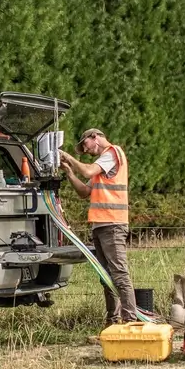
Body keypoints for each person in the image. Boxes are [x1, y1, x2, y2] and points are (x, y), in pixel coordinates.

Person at [59, 128, 137, 326]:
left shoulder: (112, 153)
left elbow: (86, 170)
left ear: (95, 137)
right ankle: (112, 322)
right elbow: (84, 192)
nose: (85, 150)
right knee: (106, 276)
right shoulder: (101, 166)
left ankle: (130, 322)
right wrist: (69, 172)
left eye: (84, 144)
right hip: (101, 225)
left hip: (113, 223)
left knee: (119, 274)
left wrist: (68, 157)